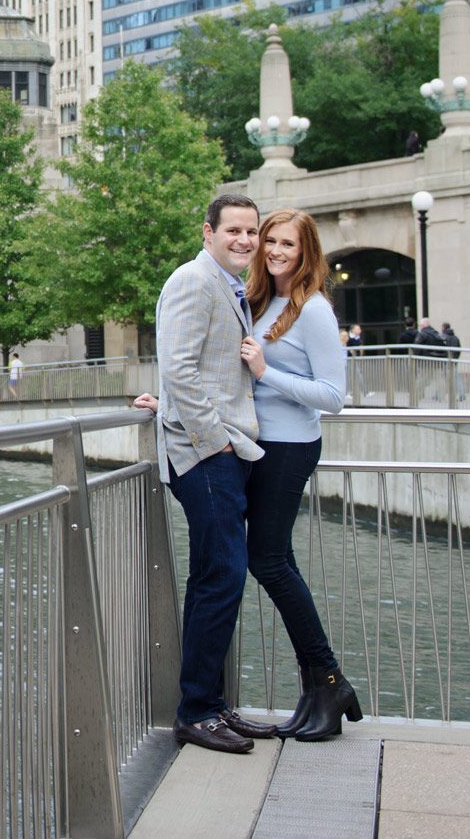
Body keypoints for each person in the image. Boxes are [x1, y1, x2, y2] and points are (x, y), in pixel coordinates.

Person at [152, 192, 269, 754]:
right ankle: (197, 710)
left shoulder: (230, 286)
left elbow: (195, 368)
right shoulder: (192, 281)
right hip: (205, 455)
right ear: (208, 232)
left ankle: (212, 706)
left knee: (214, 579)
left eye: (252, 232)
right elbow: (177, 367)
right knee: (222, 576)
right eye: (234, 231)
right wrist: (214, 443)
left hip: (222, 450)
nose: (245, 240)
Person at [240, 208, 363, 740]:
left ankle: (329, 678)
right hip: (259, 445)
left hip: (291, 447)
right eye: (270, 241)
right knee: (271, 559)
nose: (274, 251)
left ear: (306, 250)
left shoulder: (311, 309)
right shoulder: (261, 301)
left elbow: (334, 397)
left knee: (267, 560)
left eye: (287, 243)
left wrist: (269, 373)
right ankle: (320, 688)